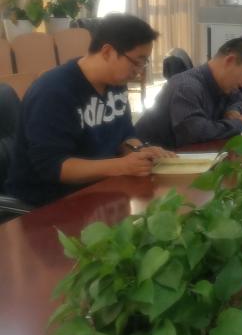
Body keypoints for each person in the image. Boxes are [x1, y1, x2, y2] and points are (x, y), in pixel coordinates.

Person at [3, 14, 174, 206]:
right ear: (108, 52)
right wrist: (121, 166)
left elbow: (125, 135)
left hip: (99, 190)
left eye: (144, 62)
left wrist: (140, 151)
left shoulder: (116, 83)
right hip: (49, 203)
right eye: (136, 61)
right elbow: (54, 167)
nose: (140, 70)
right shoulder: (53, 92)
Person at [135, 38, 242, 148]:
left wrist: (235, 110)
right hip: (147, 158)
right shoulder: (187, 86)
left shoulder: (223, 85)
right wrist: (240, 124)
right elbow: (195, 133)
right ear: (230, 61)